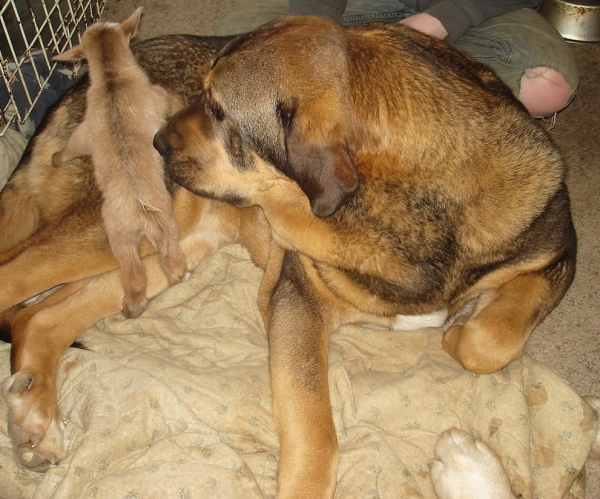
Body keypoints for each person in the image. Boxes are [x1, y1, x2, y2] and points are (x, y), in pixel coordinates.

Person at [215, 0, 578, 117]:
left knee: (546, 87)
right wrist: (320, 37)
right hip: (360, 5)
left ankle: (383, 110)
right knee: (231, 45)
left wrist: (441, 20)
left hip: (481, 9)